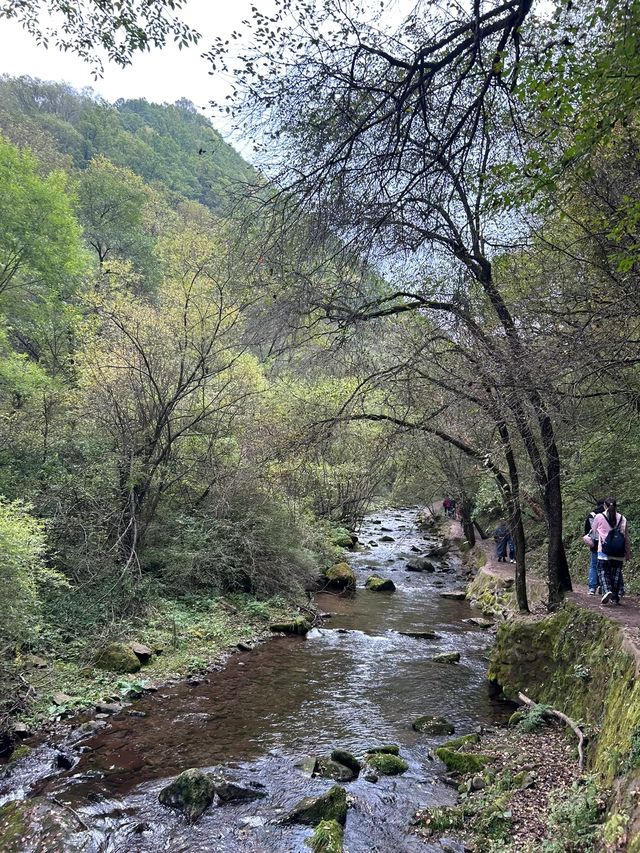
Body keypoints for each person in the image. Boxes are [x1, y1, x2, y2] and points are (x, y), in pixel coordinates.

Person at [588, 497, 631, 606]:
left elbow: (593, 533)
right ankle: (615, 598)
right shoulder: (623, 518)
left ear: (604, 506)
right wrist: (628, 553)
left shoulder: (599, 516)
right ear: (616, 506)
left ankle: (607, 591)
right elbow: (626, 538)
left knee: (603, 572)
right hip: (618, 552)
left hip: (603, 551)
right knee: (616, 575)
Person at [584, 500, 604, 595]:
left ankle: (592, 588)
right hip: (606, 544)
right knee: (604, 566)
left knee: (594, 566)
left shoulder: (591, 515)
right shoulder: (608, 514)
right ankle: (602, 586)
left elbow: (587, 531)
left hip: (595, 544)